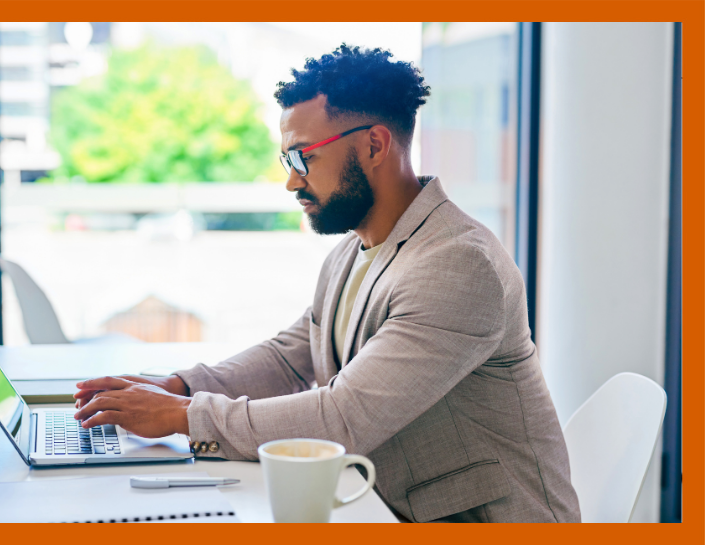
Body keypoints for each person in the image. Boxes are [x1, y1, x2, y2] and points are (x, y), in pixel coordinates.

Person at [72, 44, 580, 523]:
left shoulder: (459, 266)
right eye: (286, 162)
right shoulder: (354, 248)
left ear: (375, 144)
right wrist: (179, 386)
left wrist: (183, 416)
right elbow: (289, 356)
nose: (292, 181)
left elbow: (341, 419)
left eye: (302, 157)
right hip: (382, 503)